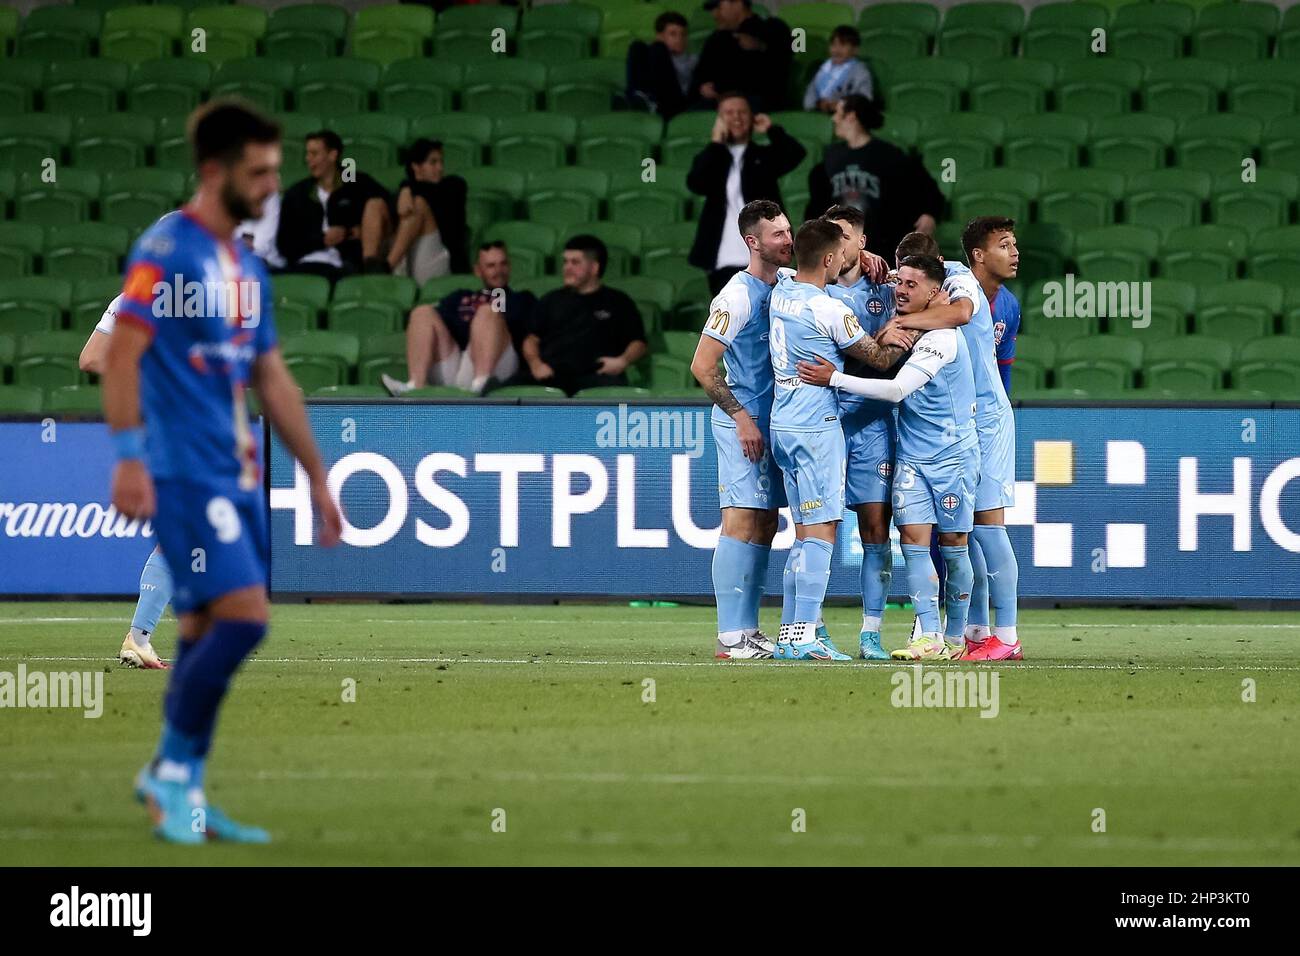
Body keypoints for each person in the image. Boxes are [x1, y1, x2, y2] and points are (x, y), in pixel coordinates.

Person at [103, 100, 343, 843]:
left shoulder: (244, 263)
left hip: (235, 471)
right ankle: (168, 776)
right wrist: (129, 460)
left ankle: (185, 795)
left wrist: (316, 473)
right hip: (183, 471)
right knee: (245, 619)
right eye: (261, 171)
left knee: (204, 629)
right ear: (216, 172)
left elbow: (271, 377)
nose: (274, 184)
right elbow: (118, 356)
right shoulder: (165, 251)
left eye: (277, 170)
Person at [797, 255, 978, 663]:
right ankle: (928, 635)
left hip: (953, 458)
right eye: (900, 281)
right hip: (913, 457)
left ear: (935, 293)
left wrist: (834, 378)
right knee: (914, 542)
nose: (901, 289)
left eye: (913, 285)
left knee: (953, 545)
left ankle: (955, 635)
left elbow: (897, 391)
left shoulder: (941, 338)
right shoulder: (910, 327)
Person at [767, 218, 912, 661]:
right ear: (830, 259)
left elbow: (796, 267)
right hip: (815, 428)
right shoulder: (830, 309)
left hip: (782, 424)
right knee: (822, 532)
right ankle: (806, 636)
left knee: (804, 534)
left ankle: (792, 637)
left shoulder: (782, 290)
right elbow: (879, 358)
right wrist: (897, 336)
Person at [892, 222, 1023, 661]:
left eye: (909, 278)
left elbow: (962, 312)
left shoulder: (957, 280)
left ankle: (1006, 636)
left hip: (985, 422)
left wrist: (904, 322)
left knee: (988, 529)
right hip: (961, 425)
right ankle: (978, 630)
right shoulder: (926, 282)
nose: (901, 286)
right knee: (966, 536)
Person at [689, 200, 793, 660]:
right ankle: (730, 636)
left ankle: (749, 629)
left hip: (777, 423)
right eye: (778, 235)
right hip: (742, 424)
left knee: (767, 523)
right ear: (753, 242)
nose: (787, 240)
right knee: (740, 520)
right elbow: (703, 365)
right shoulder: (735, 296)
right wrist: (742, 418)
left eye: (789, 232)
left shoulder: (788, 283)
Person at [818, 205, 898, 660]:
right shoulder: (806, 287)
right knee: (817, 528)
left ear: (862, 243)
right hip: (824, 420)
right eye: (830, 234)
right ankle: (813, 625)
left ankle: (871, 634)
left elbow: (932, 275)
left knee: (874, 529)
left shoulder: (887, 290)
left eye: (845, 235)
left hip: (873, 424)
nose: (837, 242)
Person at [686, 93, 806, 296]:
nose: (737, 118)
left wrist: (771, 129)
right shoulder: (713, 157)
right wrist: (716, 143)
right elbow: (696, 183)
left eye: (742, 112)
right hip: (722, 258)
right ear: (719, 120)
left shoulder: (763, 156)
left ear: (752, 117)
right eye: (729, 113)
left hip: (763, 254)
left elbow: (795, 153)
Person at [382, 241, 535, 396]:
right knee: (422, 313)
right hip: (460, 363)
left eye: (503, 264)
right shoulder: (460, 297)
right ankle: (415, 385)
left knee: (487, 312)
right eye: (491, 266)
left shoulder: (522, 299)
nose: (498, 270)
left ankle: (482, 383)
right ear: (478, 270)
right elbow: (434, 327)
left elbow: (527, 336)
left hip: (499, 364)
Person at [806, 95, 944, 260]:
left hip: (883, 244)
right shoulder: (831, 156)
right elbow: (818, 199)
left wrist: (929, 213)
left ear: (851, 116)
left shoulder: (889, 155)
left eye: (837, 113)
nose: (834, 118)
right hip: (841, 247)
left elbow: (927, 188)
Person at [522, 235, 648, 397]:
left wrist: (622, 361)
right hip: (551, 375)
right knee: (497, 391)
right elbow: (531, 339)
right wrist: (535, 364)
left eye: (575, 262)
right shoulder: (550, 300)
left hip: (597, 377)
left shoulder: (618, 302)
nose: (567, 267)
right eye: (565, 262)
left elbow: (639, 343)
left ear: (594, 268)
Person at [276, 129, 393, 281]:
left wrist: (350, 232)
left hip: (345, 266)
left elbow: (385, 207)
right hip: (304, 265)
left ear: (332, 155)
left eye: (314, 154)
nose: (308, 159)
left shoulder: (354, 183)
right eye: (307, 154)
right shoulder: (298, 193)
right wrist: (322, 240)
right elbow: (285, 244)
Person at [385, 138, 469, 281]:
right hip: (410, 259)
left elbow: (431, 192)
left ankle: (385, 270)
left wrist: (406, 187)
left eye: (441, 162)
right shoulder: (402, 196)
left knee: (418, 205)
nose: (440, 168)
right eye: (433, 163)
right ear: (416, 167)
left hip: (443, 259)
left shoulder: (453, 186)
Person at [692, 0, 794, 112]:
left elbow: (780, 71)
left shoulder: (772, 29)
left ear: (738, 3)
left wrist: (760, 47)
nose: (714, 14)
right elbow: (699, 76)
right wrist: (702, 88)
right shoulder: (716, 39)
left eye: (719, 7)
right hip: (716, 104)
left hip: (757, 105)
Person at [626, 11, 697, 118]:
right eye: (673, 34)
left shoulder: (693, 60)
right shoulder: (652, 55)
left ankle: (647, 101)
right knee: (637, 46)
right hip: (653, 100)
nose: (679, 39)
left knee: (658, 48)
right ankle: (638, 98)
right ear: (660, 36)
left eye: (683, 34)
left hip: (675, 103)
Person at [803, 25, 874, 113]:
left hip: (847, 116)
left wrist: (842, 104)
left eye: (842, 45)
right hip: (820, 115)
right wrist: (818, 104)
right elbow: (811, 93)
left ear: (855, 50)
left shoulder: (860, 71)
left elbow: (865, 99)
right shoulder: (824, 69)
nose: (836, 49)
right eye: (833, 44)